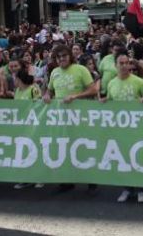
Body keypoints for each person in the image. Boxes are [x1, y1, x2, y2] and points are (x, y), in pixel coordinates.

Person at [43, 45, 98, 194]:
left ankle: (91, 180)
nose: (62, 59)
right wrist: (47, 95)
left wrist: (75, 96)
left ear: (70, 56)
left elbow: (93, 89)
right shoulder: (54, 72)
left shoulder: (81, 70)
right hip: (62, 118)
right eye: (59, 57)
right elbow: (49, 90)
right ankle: (67, 180)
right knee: (64, 147)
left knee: (84, 148)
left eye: (64, 56)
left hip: (81, 117)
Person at [101, 50, 143, 203]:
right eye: (121, 63)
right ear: (116, 65)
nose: (124, 66)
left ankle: (141, 189)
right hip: (120, 129)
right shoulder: (111, 84)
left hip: (137, 128)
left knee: (138, 158)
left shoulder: (138, 81)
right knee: (123, 159)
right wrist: (104, 102)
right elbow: (110, 103)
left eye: (127, 63)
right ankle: (127, 189)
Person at [12, 69, 44, 190]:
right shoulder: (17, 91)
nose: (14, 81)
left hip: (33, 125)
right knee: (24, 152)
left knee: (35, 150)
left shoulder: (33, 89)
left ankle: (39, 177)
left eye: (15, 78)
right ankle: (25, 178)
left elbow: (39, 105)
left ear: (20, 79)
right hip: (21, 125)